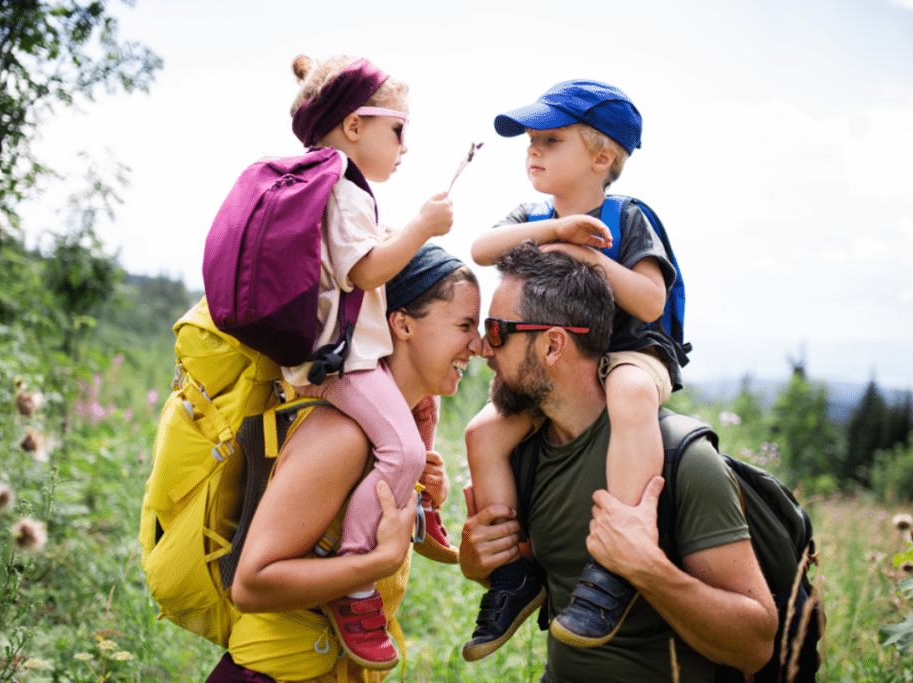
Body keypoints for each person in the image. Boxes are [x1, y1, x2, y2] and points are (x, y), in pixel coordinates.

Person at [459, 243, 777, 682]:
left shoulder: (682, 459)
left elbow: (756, 645)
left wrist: (649, 571)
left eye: (497, 332)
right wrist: (484, 566)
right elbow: (553, 578)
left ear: (553, 345)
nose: (483, 349)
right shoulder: (523, 456)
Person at [463, 79, 686, 658]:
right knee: (482, 432)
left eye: (549, 140)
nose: (532, 150)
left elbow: (650, 302)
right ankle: (514, 572)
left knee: (631, 395)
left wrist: (587, 254)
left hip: (630, 352)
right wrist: (555, 232)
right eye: (530, 140)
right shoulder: (532, 217)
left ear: (601, 156)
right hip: (559, 360)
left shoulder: (629, 217)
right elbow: (482, 249)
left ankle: (618, 558)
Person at [213, 244, 483, 683]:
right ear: (402, 324)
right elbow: (251, 583)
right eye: (464, 325)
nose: (479, 344)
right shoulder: (342, 436)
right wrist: (370, 566)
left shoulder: (396, 441)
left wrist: (423, 505)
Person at [282, 54, 459, 669]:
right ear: (354, 127)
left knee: (425, 408)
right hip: (344, 360)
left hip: (358, 351)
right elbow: (367, 271)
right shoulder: (342, 191)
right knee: (404, 451)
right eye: (399, 130)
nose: (405, 145)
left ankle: (420, 510)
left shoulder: (340, 188)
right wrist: (423, 227)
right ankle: (356, 581)